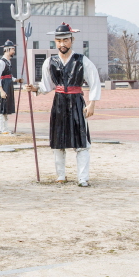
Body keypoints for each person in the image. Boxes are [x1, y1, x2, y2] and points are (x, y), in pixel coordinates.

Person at [26, 23, 100, 187]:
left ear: (71, 40)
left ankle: (83, 178)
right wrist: (36, 88)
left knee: (81, 142)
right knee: (58, 141)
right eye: (59, 41)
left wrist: (92, 103)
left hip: (76, 102)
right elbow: (47, 86)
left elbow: (95, 82)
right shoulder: (50, 62)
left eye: (65, 40)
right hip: (59, 103)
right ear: (55, 41)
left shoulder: (82, 61)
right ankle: (60, 175)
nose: (62, 44)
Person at [0, 40, 22, 134]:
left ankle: (5, 128)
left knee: (6, 108)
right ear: (7, 50)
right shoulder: (1, 62)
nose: (14, 51)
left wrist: (16, 80)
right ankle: (0, 128)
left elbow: (8, 75)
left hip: (8, 86)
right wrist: (1, 90)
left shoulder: (8, 62)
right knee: (1, 107)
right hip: (3, 87)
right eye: (12, 49)